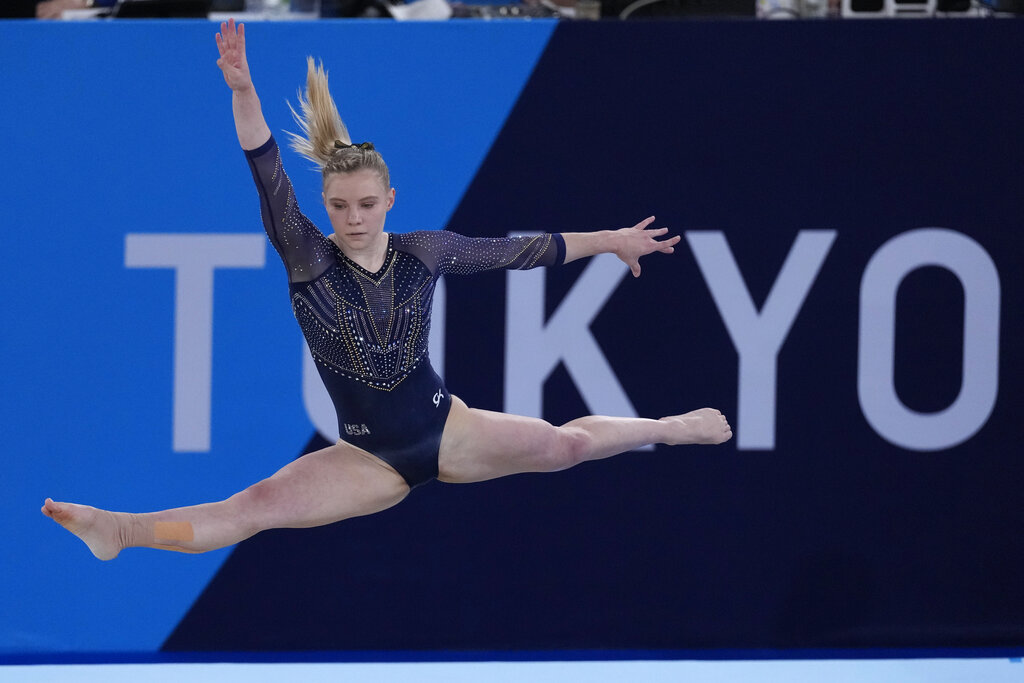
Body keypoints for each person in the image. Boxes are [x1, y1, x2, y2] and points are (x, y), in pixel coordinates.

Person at [41, 19, 732, 561]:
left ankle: (670, 428)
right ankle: (120, 530)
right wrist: (243, 91)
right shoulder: (307, 257)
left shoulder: (423, 251)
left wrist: (610, 239)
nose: (353, 218)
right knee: (251, 509)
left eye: (367, 204)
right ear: (325, 204)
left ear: (390, 200)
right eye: (340, 206)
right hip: (365, 458)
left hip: (448, 427)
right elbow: (265, 168)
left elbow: (521, 252)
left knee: (565, 446)